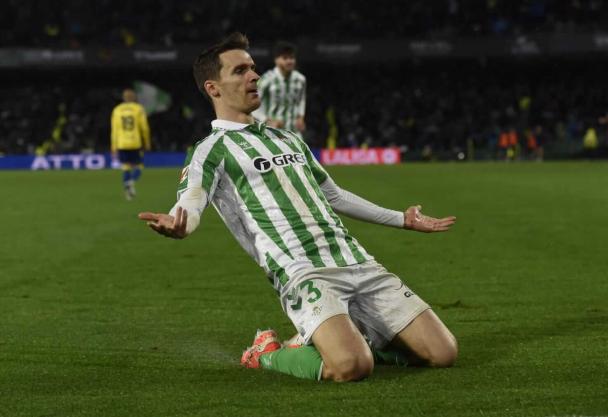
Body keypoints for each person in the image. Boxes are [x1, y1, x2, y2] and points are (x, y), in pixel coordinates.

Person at [138, 33, 458, 382]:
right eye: (241, 70)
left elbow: (333, 196)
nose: (254, 76)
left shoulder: (288, 139)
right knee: (352, 367)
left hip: (356, 261)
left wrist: (403, 219)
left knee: (443, 353)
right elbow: (191, 203)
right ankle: (266, 355)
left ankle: (350, 340)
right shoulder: (210, 150)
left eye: (254, 68)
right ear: (213, 88)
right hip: (303, 271)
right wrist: (180, 224)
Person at [252, 41, 307, 134]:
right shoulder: (266, 79)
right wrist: (266, 120)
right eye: (285, 58)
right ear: (276, 60)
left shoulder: (300, 79)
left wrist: (300, 116)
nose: (289, 61)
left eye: (292, 58)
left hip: (295, 134)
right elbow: (252, 104)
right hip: (272, 134)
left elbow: (301, 100)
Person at [111, 88, 151, 200]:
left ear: (123, 98)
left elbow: (114, 130)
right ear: (134, 98)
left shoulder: (117, 110)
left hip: (121, 143)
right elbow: (144, 128)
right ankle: (131, 182)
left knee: (125, 167)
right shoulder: (138, 109)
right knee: (139, 166)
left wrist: (113, 147)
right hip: (135, 142)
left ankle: (128, 192)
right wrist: (147, 142)